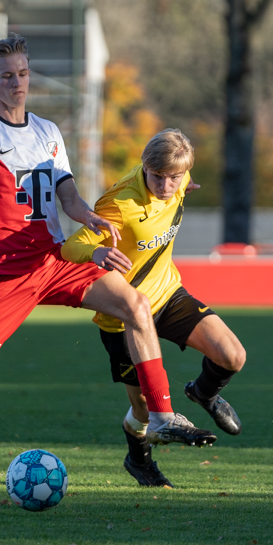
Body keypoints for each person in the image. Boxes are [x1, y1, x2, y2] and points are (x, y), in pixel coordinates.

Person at [0, 35, 216, 451]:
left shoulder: (48, 131)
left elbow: (70, 198)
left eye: (22, 74)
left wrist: (92, 218)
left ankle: (164, 415)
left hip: (56, 260)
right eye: (7, 76)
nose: (17, 83)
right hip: (7, 269)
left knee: (136, 304)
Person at [61, 129, 246, 488]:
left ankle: (203, 393)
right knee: (144, 408)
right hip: (124, 316)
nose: (165, 185)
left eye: (174, 178)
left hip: (167, 294)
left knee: (233, 356)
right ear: (145, 166)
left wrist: (183, 184)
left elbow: (180, 175)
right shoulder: (120, 204)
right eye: (157, 176)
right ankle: (139, 460)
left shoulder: (180, 175)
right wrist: (97, 251)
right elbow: (72, 246)